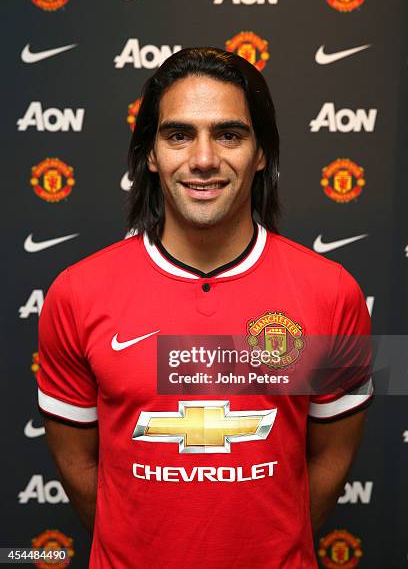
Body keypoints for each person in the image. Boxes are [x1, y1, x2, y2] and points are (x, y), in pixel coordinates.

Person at [37, 47, 373, 568]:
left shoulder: (333, 293)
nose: (203, 159)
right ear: (150, 153)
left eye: (229, 134)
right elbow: (75, 460)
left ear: (261, 153)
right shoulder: (76, 292)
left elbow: (333, 455)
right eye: (178, 135)